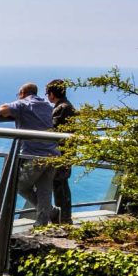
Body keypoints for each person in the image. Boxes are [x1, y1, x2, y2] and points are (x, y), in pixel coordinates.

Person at [0, 82, 59, 227]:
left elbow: (2, 111)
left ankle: (50, 212)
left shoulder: (23, 104)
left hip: (35, 156)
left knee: (19, 186)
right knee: (44, 190)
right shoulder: (47, 106)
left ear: (22, 93)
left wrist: (13, 103)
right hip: (53, 153)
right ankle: (42, 223)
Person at [46, 79, 76, 225]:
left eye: (48, 94)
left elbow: (52, 129)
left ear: (52, 94)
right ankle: (64, 218)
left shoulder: (62, 108)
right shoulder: (68, 106)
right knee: (61, 184)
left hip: (61, 153)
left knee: (59, 185)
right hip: (67, 151)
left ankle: (63, 219)